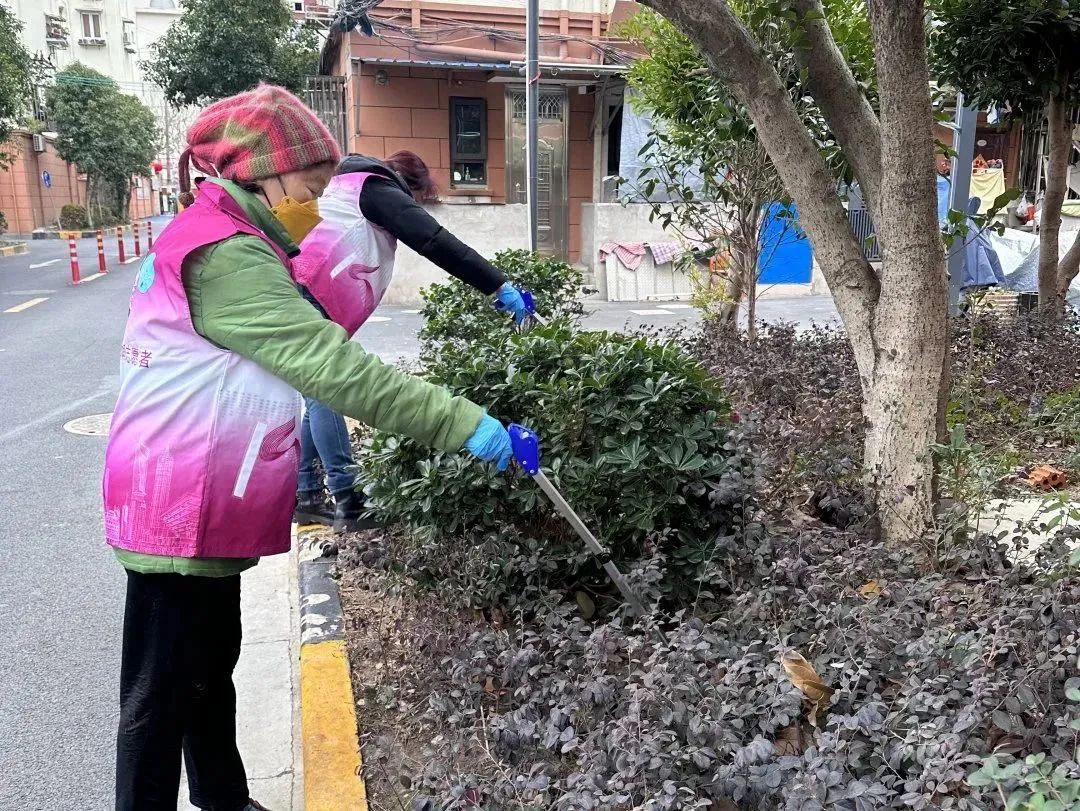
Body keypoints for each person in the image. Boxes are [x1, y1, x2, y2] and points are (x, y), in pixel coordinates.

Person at [103, 85, 518, 811]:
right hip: (175, 494)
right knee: (160, 691)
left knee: (206, 666)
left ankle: (224, 798)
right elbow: (335, 368)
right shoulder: (225, 254)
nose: (318, 202)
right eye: (310, 187)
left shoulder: (241, 238)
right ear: (256, 175)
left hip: (199, 490)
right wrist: (465, 425)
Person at [292, 150, 532, 530]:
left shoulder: (341, 186)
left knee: (313, 390)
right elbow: (434, 240)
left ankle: (306, 495)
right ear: (412, 187)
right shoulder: (375, 189)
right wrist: (497, 284)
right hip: (309, 288)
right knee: (326, 388)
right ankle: (349, 499)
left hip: (301, 284)